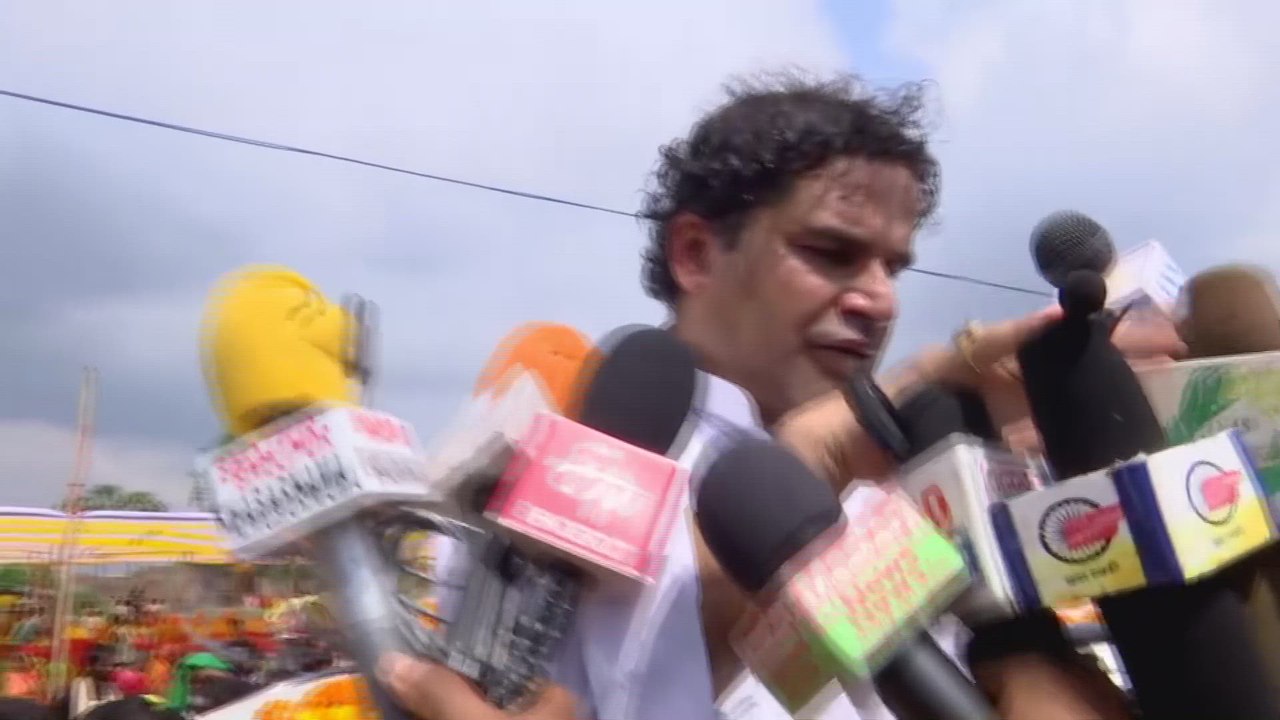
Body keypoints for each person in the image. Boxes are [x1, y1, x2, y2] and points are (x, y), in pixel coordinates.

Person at [377, 72, 1180, 719]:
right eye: (832, 252)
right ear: (695, 252)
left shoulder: (900, 502)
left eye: (892, 267)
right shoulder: (534, 500)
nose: (879, 298)